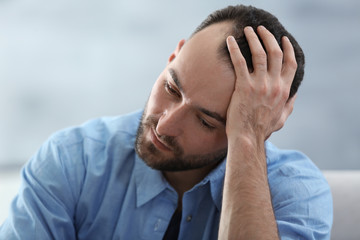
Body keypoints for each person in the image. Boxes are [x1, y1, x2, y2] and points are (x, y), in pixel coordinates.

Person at [0, 5, 332, 240]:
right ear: (174, 56)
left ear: (264, 121)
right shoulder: (72, 160)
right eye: (171, 87)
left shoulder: (296, 194)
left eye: (205, 121)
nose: (164, 125)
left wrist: (246, 138)